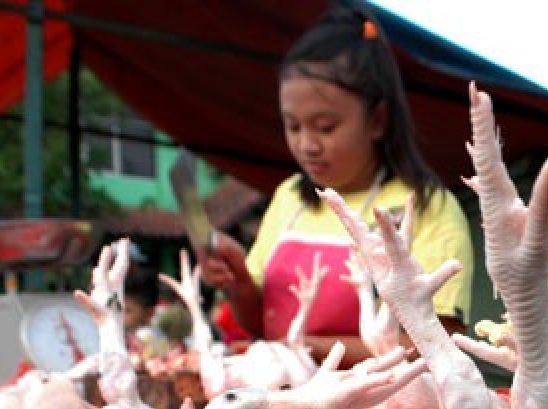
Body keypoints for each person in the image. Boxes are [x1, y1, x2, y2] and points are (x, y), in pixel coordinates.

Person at [196, 8, 475, 364]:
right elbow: (259, 325)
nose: (307, 145)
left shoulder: (425, 207)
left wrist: (307, 349)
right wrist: (237, 284)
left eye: (325, 127)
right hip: (284, 402)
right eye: (293, 126)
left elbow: (442, 342)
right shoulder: (289, 197)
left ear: (377, 120)